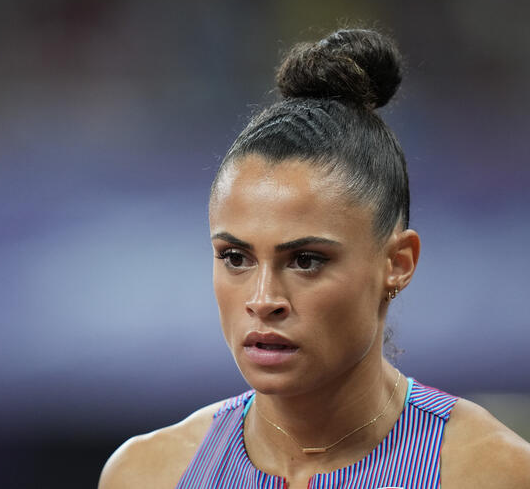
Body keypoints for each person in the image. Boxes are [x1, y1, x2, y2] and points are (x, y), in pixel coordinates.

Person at [98, 28, 530, 488]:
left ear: (398, 263)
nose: (264, 300)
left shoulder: (492, 473)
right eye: (235, 257)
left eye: (306, 260)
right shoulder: (146, 474)